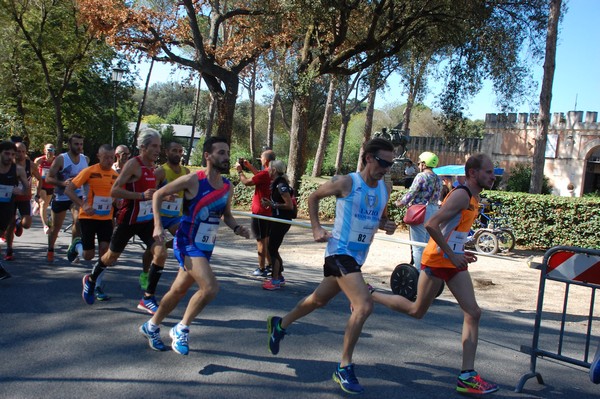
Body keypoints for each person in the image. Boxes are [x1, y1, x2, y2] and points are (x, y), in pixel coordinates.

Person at [266, 138, 397, 395]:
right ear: (369, 158)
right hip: (339, 252)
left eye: (390, 164)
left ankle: (280, 325)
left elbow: (378, 220)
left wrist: (387, 226)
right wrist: (315, 227)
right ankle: (344, 367)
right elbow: (313, 197)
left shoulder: (385, 189)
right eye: (383, 163)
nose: (386, 169)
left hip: (358, 257)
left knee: (318, 300)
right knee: (364, 305)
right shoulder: (347, 182)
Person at [371, 153, 499, 395]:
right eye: (489, 172)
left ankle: (467, 376)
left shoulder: (473, 195)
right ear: (473, 173)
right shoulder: (461, 195)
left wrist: (461, 251)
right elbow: (432, 224)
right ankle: (372, 295)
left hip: (452, 260)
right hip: (439, 259)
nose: (493, 176)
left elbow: (453, 229)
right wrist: (452, 253)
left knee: (473, 312)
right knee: (416, 310)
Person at [139, 136, 250, 355]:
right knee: (210, 288)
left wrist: (237, 228)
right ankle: (181, 328)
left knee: (178, 290)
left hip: (205, 247)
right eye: (221, 153)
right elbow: (159, 194)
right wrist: (158, 226)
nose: (226, 157)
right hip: (187, 242)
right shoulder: (194, 180)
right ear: (207, 156)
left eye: (227, 153)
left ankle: (150, 326)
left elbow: (226, 215)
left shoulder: (227, 186)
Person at [81, 128, 166, 314]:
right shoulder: (133, 165)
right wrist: (140, 195)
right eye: (154, 146)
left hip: (146, 221)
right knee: (110, 258)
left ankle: (148, 298)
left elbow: (150, 194)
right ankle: (91, 280)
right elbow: (115, 191)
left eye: (159, 146)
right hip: (128, 219)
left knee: (161, 252)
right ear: (143, 147)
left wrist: (161, 197)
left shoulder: (153, 167)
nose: (158, 150)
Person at [66, 144, 118, 301]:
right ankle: (77, 245)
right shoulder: (89, 171)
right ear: (98, 156)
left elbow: (115, 196)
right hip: (88, 217)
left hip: (106, 219)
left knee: (105, 252)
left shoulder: (115, 175)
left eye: (112, 157)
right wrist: (83, 205)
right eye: (106, 157)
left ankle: (96, 284)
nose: (109, 160)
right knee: (88, 256)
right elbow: (69, 190)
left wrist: (117, 202)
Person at [45, 134, 88, 263]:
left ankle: (73, 249)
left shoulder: (85, 159)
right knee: (55, 228)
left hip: (76, 196)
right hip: (61, 196)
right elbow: (48, 178)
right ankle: (51, 249)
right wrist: (63, 183)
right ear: (69, 145)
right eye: (76, 144)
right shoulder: (61, 159)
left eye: (81, 144)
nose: (79, 147)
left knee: (78, 221)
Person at [396, 151, 443, 270]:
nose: (418, 165)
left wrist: (401, 203)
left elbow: (412, 192)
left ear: (424, 164)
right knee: (427, 245)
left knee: (417, 246)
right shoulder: (438, 178)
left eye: (419, 163)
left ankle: (419, 274)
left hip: (420, 211)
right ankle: (428, 273)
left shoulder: (421, 176)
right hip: (434, 211)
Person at [237, 150, 275, 277]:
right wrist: (249, 166)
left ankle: (261, 268)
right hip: (268, 212)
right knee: (266, 240)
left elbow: (247, 182)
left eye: (262, 158)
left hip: (259, 212)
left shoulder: (265, 173)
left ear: (267, 161)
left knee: (260, 241)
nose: (260, 159)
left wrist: (240, 171)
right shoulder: (271, 173)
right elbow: (259, 176)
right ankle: (270, 265)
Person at [4, 142, 43, 261]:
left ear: (26, 153)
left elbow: (40, 180)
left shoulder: (30, 165)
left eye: (23, 152)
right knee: (9, 225)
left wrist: (37, 194)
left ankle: (18, 223)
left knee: (26, 224)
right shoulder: (8, 165)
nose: (20, 154)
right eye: (18, 151)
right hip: (10, 198)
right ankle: (9, 250)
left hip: (24, 197)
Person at [260, 160, 294, 290]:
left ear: (274, 170)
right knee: (272, 248)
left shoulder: (281, 185)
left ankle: (275, 280)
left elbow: (289, 205)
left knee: (272, 248)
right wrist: (270, 203)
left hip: (282, 220)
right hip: (277, 219)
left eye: (269, 168)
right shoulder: (277, 184)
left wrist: (272, 205)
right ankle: (278, 276)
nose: (267, 170)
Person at [0, 141, 29, 280]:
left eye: (12, 154)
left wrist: (21, 191)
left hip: (7, 207)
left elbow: (26, 188)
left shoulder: (17, 169)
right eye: (6, 153)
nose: (10, 156)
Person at [33, 143, 56, 235]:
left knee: (45, 206)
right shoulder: (39, 160)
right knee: (43, 204)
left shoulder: (57, 160)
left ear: (54, 151)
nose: (49, 151)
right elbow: (33, 171)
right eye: (48, 149)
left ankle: (36, 204)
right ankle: (45, 225)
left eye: (51, 149)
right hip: (41, 185)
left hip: (51, 186)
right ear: (44, 150)